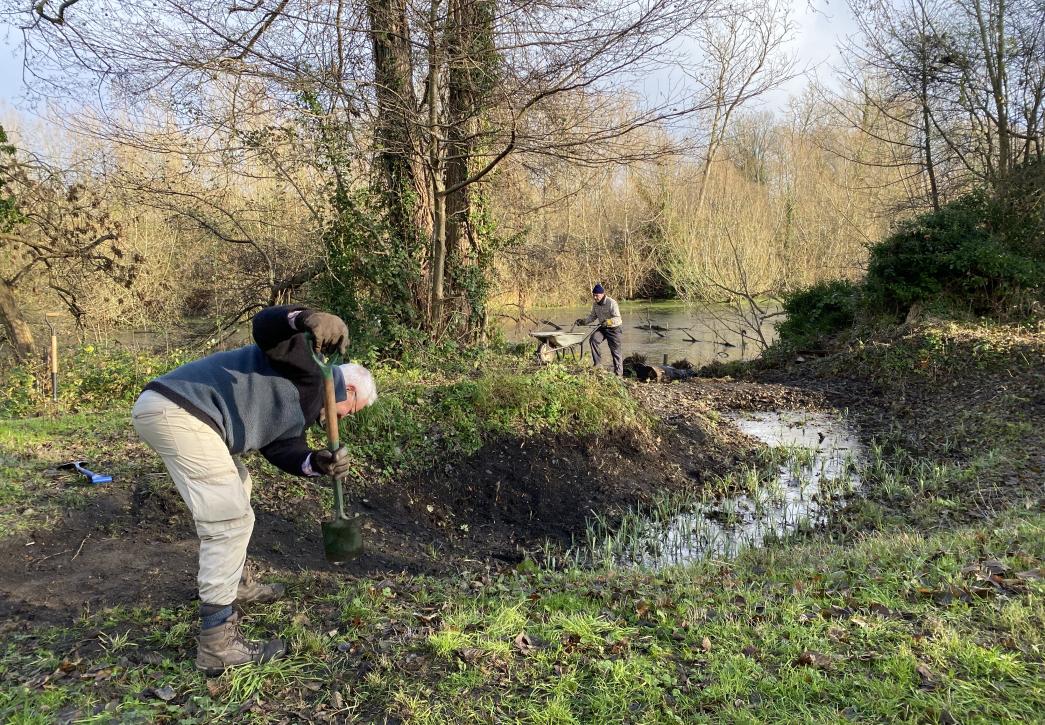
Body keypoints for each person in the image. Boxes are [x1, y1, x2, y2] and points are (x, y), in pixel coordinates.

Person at [130, 305, 377, 674]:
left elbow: (281, 447)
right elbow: (266, 328)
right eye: (349, 411)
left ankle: (236, 582)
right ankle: (216, 641)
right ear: (349, 389)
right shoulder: (310, 370)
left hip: (192, 416)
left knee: (240, 485)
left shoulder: (306, 405)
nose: (342, 419)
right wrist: (305, 317)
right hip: (181, 410)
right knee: (229, 518)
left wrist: (318, 462)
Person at [576, 283, 624, 376]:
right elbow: (592, 317)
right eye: (593, 295)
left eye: (596, 295)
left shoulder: (611, 303)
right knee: (593, 340)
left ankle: (619, 374)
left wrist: (608, 322)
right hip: (602, 328)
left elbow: (618, 319)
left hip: (614, 329)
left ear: (602, 294)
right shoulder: (595, 305)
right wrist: (582, 321)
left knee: (615, 351)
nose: (595, 297)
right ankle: (597, 364)